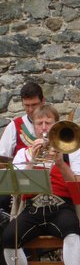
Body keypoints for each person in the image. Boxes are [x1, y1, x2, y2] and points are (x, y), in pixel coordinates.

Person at [1, 104, 80, 265]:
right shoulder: (23, 152)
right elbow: (17, 189)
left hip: (61, 206)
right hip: (34, 208)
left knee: (72, 231)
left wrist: (61, 163)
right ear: (34, 128)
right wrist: (31, 160)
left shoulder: (72, 151)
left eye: (48, 122)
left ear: (56, 125)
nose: (44, 127)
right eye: (39, 123)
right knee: (9, 237)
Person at [0, 82, 45, 213]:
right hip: (20, 186)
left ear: (43, 101)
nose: (30, 110)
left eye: (34, 105)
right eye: (27, 105)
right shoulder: (14, 126)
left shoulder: (53, 125)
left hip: (50, 183)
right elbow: (2, 161)